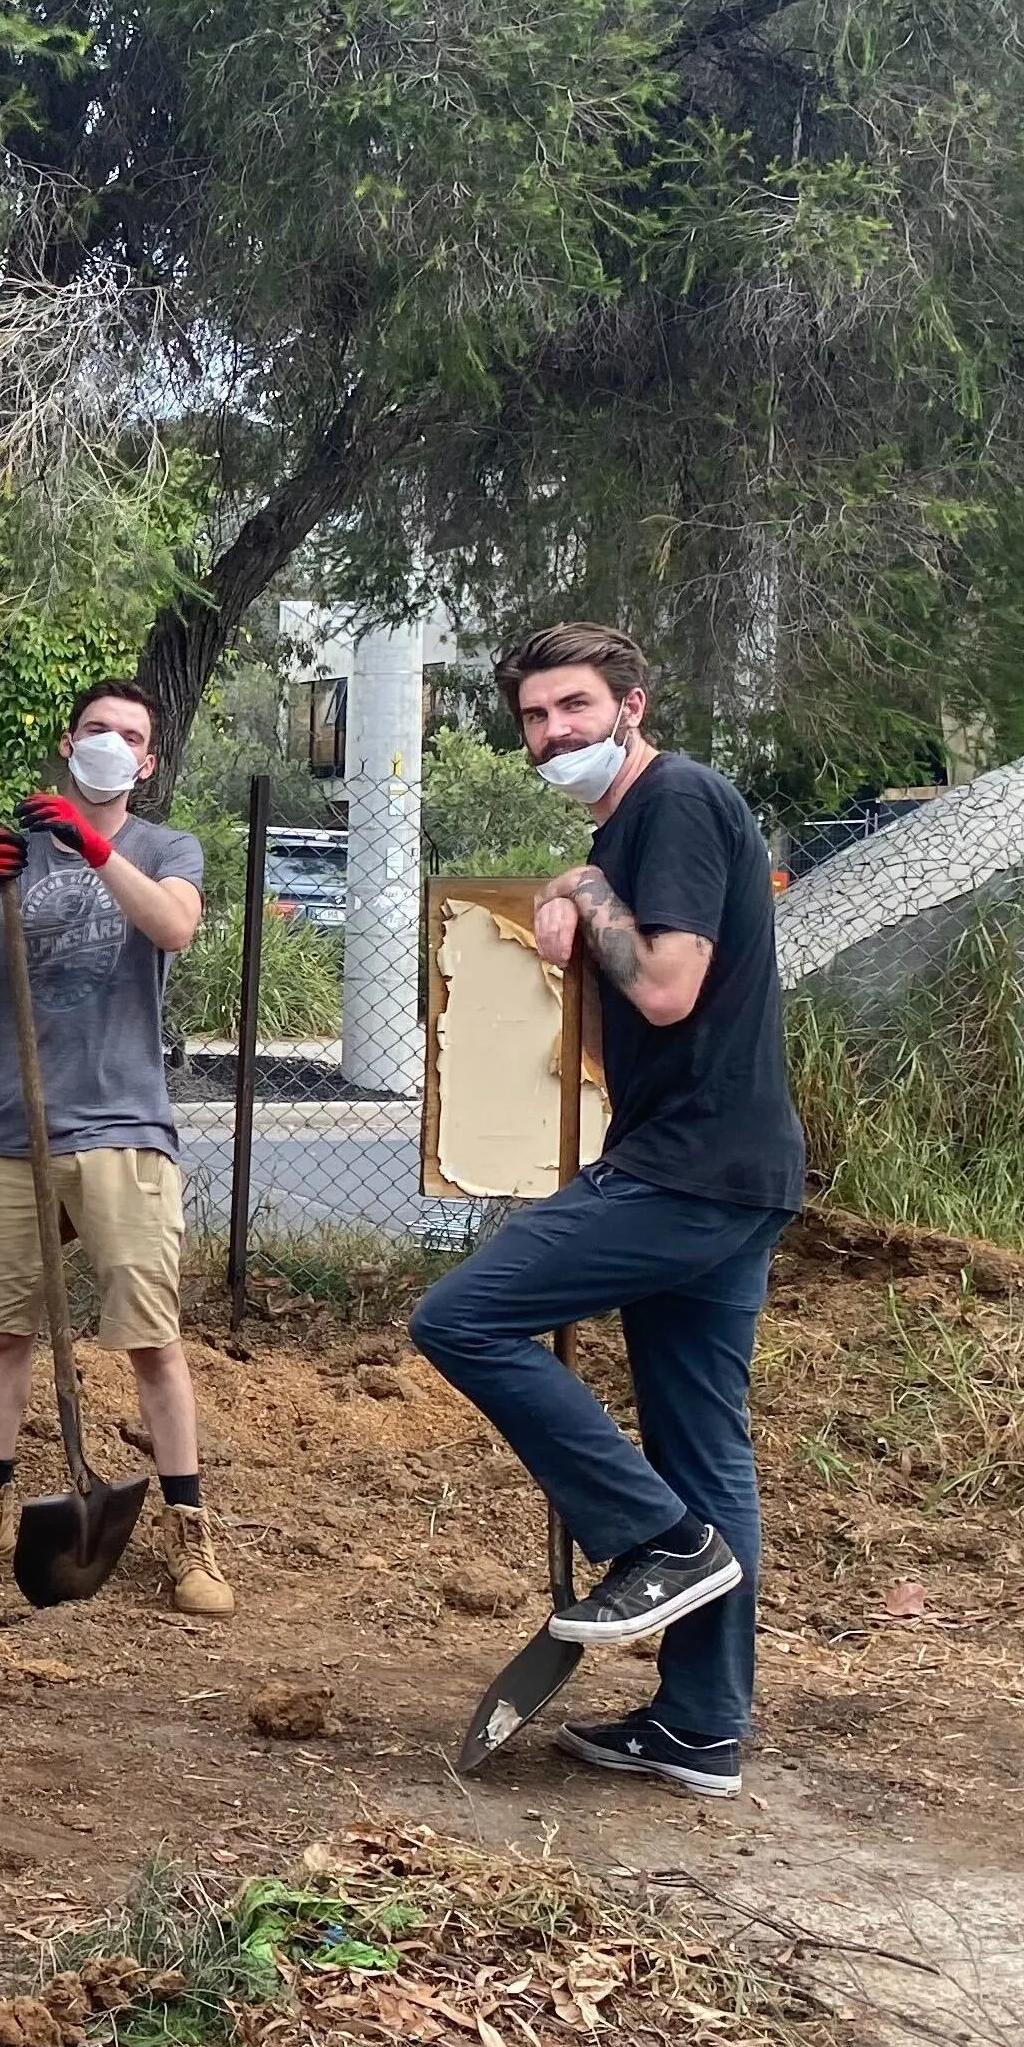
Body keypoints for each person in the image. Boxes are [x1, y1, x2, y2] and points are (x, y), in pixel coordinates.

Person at [410, 623, 803, 1799]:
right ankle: (699, 1726)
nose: (552, 733)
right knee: (702, 1441)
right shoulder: (629, 823)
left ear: (632, 702)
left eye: (573, 707)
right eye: (533, 716)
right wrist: (583, 884)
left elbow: (672, 987)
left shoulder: (674, 799)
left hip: (688, 1166)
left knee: (461, 1317)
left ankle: (653, 1539)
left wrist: (585, 887)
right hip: (727, 1164)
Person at [0, 679, 233, 1616]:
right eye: (96, 728)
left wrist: (93, 848)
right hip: (13, 1128)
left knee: (150, 1338)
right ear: (68, 741)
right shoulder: (17, 855)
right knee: (3, 1333)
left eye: (128, 735)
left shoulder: (164, 847)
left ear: (146, 762)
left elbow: (173, 924)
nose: (110, 744)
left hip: (122, 1126)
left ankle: (189, 1535)